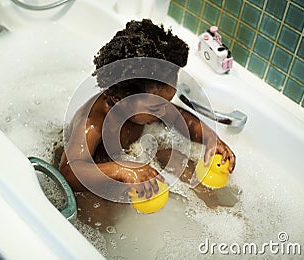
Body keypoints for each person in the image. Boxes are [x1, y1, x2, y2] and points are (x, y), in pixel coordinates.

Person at [59, 19, 236, 204]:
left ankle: (213, 207)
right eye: (156, 108)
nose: (164, 112)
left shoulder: (149, 105)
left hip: (131, 153)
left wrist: (210, 138)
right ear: (119, 100)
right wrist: (120, 170)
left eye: (167, 102)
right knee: (101, 210)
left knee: (175, 158)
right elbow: (68, 172)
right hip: (93, 172)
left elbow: (180, 118)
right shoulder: (93, 122)